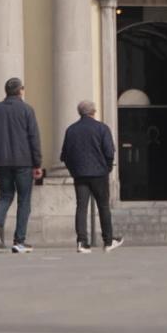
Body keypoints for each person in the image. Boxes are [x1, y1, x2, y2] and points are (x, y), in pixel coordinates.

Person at [0, 77, 42, 253]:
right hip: (24, 162)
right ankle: (19, 240)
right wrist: (37, 163)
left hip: (1, 162)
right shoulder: (27, 110)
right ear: (20, 90)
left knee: (6, 196)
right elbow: (34, 138)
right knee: (24, 200)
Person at [59, 100, 124, 253]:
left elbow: (64, 155)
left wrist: (73, 169)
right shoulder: (102, 128)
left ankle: (82, 242)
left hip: (79, 174)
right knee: (103, 206)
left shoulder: (71, 130)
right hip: (99, 174)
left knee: (81, 207)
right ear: (94, 112)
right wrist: (107, 167)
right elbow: (109, 152)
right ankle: (108, 241)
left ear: (79, 112)